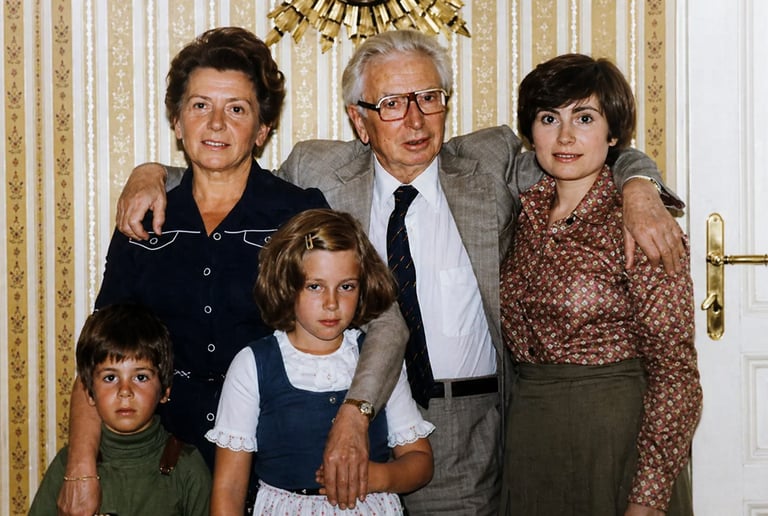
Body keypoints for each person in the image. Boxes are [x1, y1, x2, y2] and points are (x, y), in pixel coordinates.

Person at [115, 30, 686, 515]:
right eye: (391, 103)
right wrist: (151, 173)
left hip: (470, 432)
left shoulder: (487, 164)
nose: (414, 119)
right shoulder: (319, 171)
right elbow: (227, 166)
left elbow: (581, 150)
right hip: (343, 421)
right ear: (359, 121)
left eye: (428, 98)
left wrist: (639, 185)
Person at [56, 27, 409, 516]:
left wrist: (357, 411)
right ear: (177, 121)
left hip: (275, 470)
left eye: (237, 109)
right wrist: (80, 465)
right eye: (200, 105)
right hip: (165, 467)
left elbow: (378, 317)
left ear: (262, 130)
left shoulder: (298, 213)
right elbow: (99, 351)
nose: (216, 123)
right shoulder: (144, 218)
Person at [499, 53, 702, 516]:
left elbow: (675, 374)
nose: (565, 136)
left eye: (585, 118)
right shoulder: (522, 211)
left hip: (618, 440)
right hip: (530, 442)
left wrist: (649, 498)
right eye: (549, 118)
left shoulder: (641, 223)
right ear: (531, 132)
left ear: (613, 134)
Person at [206, 208, 435, 515]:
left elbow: (420, 462)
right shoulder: (253, 365)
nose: (332, 303)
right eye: (315, 286)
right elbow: (229, 488)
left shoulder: (376, 361)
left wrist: (378, 477)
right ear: (287, 285)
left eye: (346, 286)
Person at [30, 303, 211, 516]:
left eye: (140, 377)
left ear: (165, 390)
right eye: (110, 378)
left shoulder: (187, 466)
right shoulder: (68, 466)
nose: (125, 391)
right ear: (89, 393)